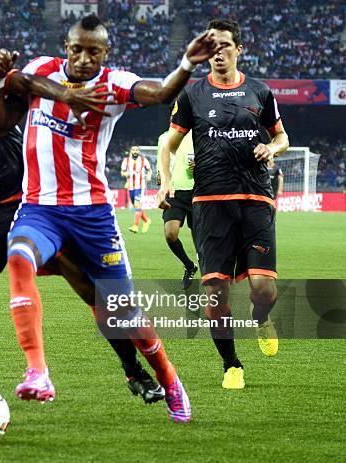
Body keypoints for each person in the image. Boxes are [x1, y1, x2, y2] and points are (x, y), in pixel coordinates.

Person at [0, 41, 162, 426]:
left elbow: (29, 83)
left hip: (36, 197)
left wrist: (67, 93)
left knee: (91, 289)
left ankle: (133, 370)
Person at [0, 14, 223, 422]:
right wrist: (66, 95)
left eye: (92, 51)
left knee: (122, 312)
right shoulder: (41, 69)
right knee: (18, 257)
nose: (82, 58)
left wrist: (186, 63)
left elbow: (159, 92)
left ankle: (168, 377)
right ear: (66, 46)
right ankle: (38, 371)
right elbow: (17, 82)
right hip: (39, 208)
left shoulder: (114, 84)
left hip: (92, 215)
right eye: (76, 49)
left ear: (106, 53)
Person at [158, 19, 289, 389]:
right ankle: (231, 364)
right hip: (211, 202)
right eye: (213, 48)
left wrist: (271, 147)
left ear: (239, 49)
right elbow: (169, 144)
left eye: (226, 46)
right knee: (215, 291)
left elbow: (282, 136)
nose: (219, 53)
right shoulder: (192, 95)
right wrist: (166, 181)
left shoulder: (260, 92)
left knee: (264, 290)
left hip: (255, 199)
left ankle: (261, 318)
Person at [156, 129, 198, 289]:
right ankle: (189, 266)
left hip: (196, 191)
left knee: (200, 242)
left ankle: (210, 279)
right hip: (173, 193)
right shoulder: (163, 137)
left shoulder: (197, 134)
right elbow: (162, 161)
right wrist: (161, 181)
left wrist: (200, 164)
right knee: (170, 234)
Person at [120, 146, 152, 233]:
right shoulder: (126, 161)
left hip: (140, 186)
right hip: (130, 187)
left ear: (139, 151)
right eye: (133, 150)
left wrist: (149, 175)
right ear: (131, 151)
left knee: (138, 205)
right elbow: (122, 172)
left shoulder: (143, 160)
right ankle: (146, 220)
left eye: (137, 150)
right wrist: (125, 174)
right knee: (136, 206)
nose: (135, 151)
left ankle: (135, 226)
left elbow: (149, 170)